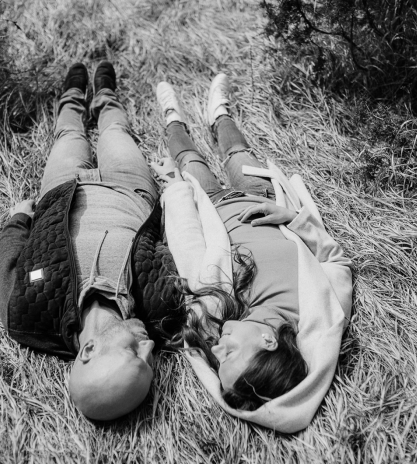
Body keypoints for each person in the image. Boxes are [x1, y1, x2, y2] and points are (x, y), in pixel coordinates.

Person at [150, 74, 354, 433]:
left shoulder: (219, 310)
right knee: (236, 153)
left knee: (187, 158)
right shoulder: (320, 310)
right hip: (262, 197)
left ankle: (172, 116)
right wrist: (294, 218)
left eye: (218, 359)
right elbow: (335, 259)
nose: (217, 351)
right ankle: (219, 113)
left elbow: (190, 245)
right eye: (228, 355)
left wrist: (175, 188)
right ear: (269, 340)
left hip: (209, 205)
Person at [0, 61, 170, 421]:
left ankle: (72, 98)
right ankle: (105, 95)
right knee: (115, 130)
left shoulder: (28, 318)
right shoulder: (161, 309)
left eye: (134, 354)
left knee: (69, 137)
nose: (150, 346)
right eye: (150, 362)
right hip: (130, 187)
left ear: (88, 350)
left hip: (63, 188)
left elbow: (8, 264)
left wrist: (18, 220)